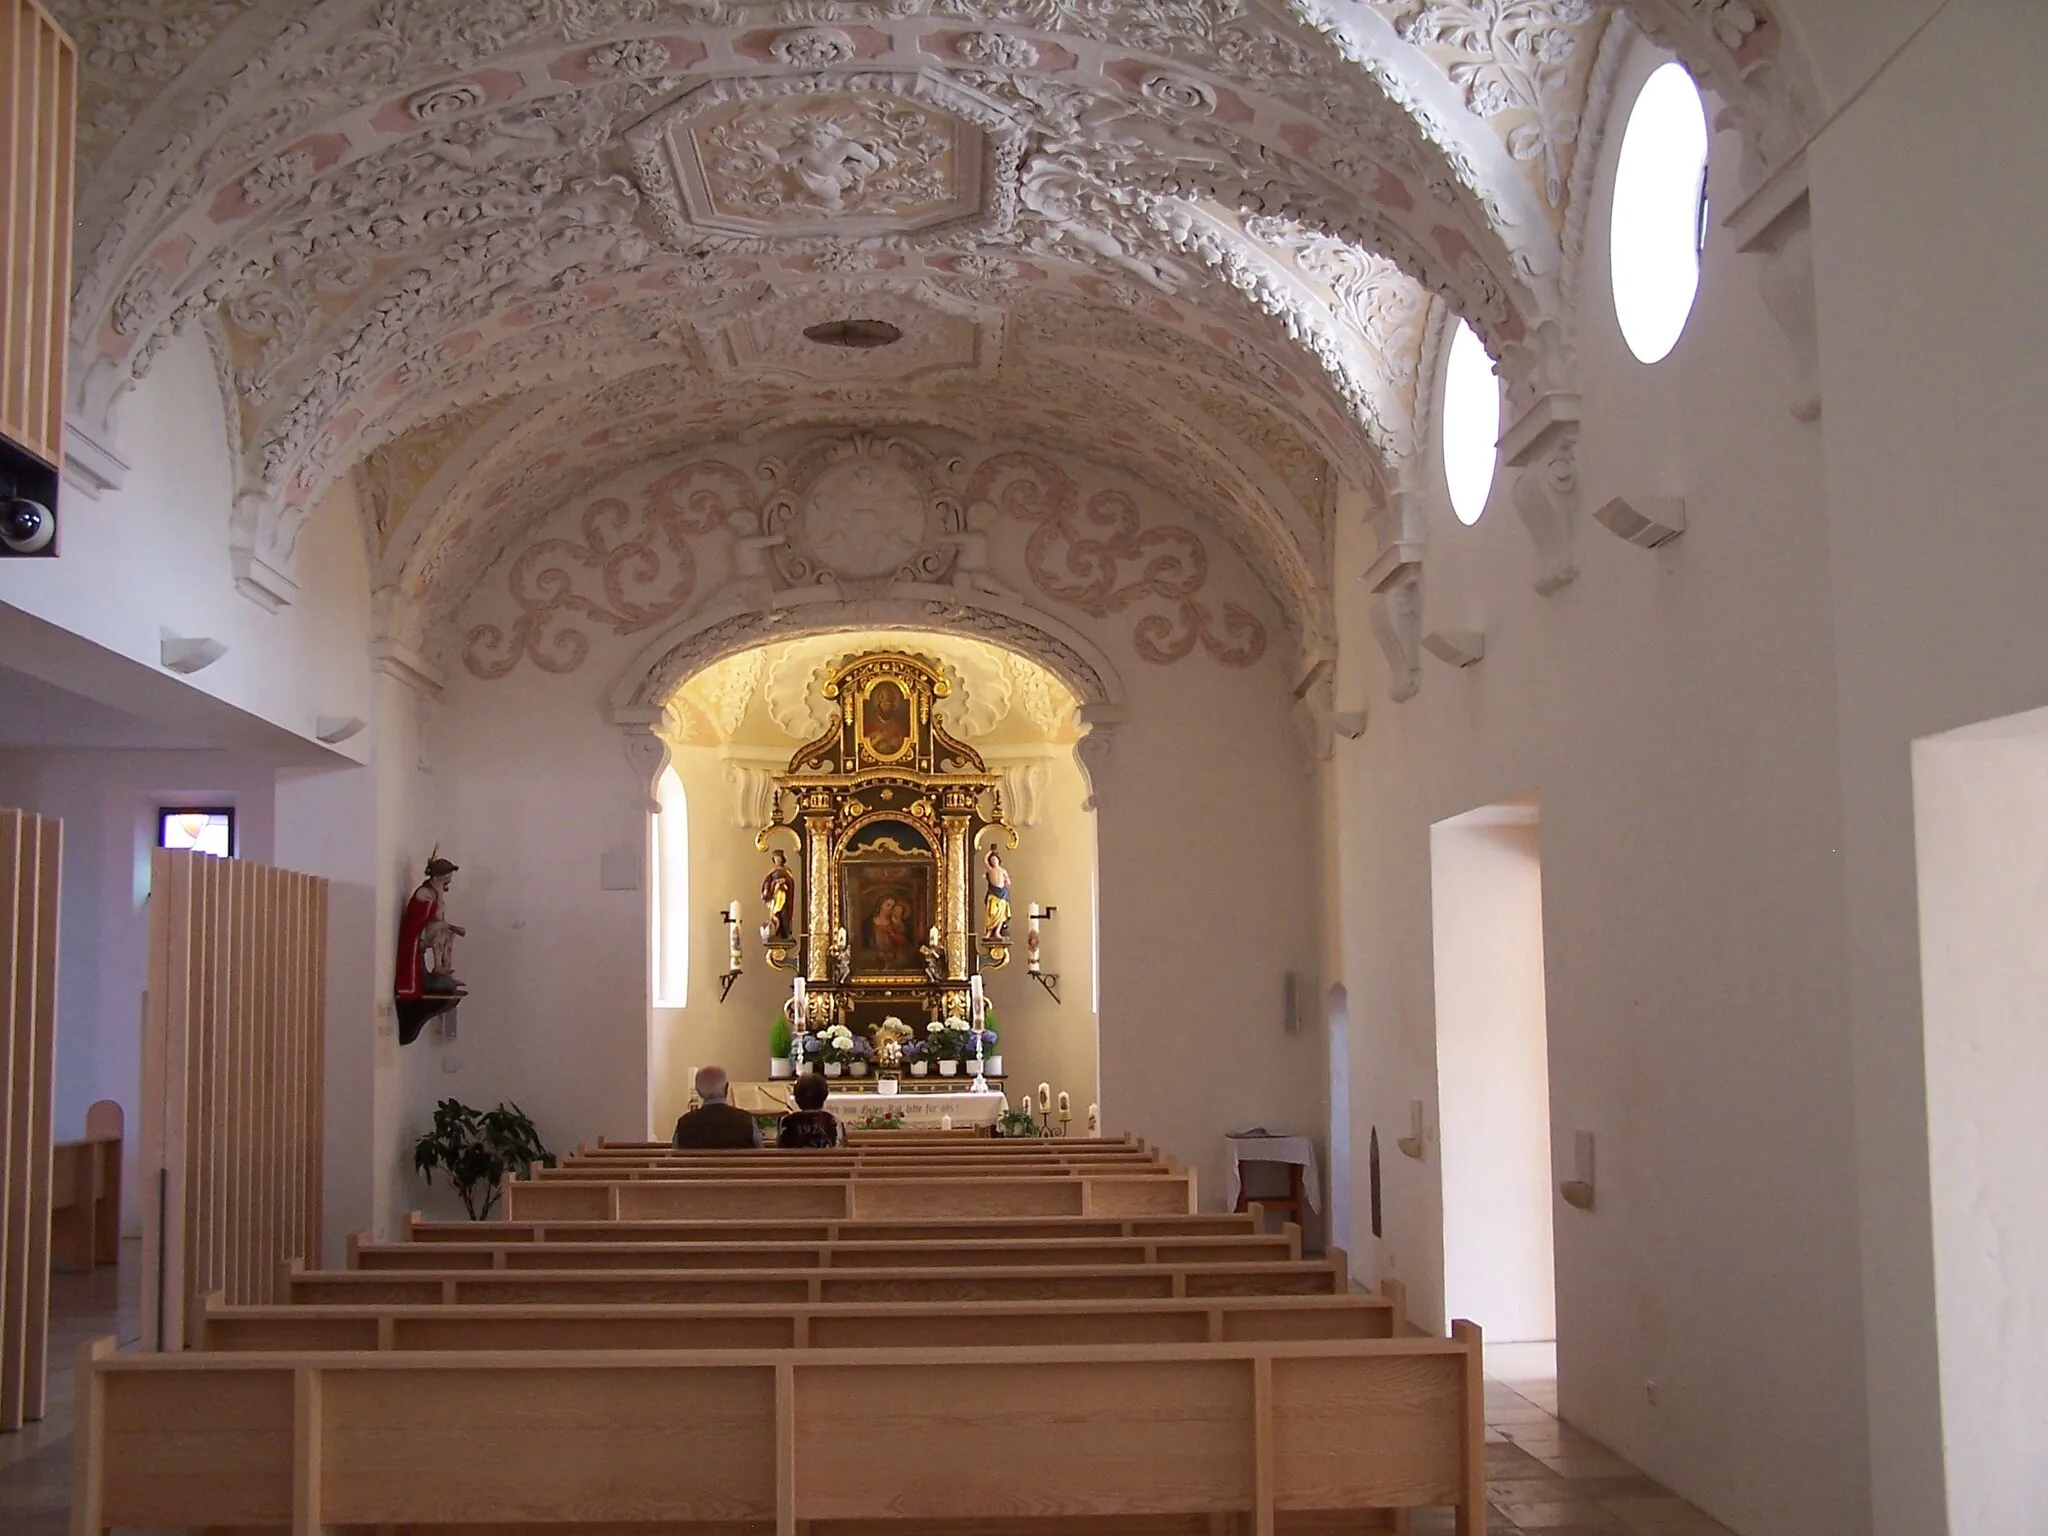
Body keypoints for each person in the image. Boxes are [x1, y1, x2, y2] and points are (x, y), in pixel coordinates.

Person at [671, 1066, 761, 1149]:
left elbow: (675, 1153)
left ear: (698, 1091)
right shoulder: (745, 1119)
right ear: (726, 1088)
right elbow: (760, 1152)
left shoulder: (684, 1123)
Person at [777, 1072, 844, 1149]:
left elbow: (781, 1148)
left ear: (797, 1099)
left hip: (794, 1161)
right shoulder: (834, 1122)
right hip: (826, 1161)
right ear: (824, 1097)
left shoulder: (785, 1122)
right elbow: (842, 1149)